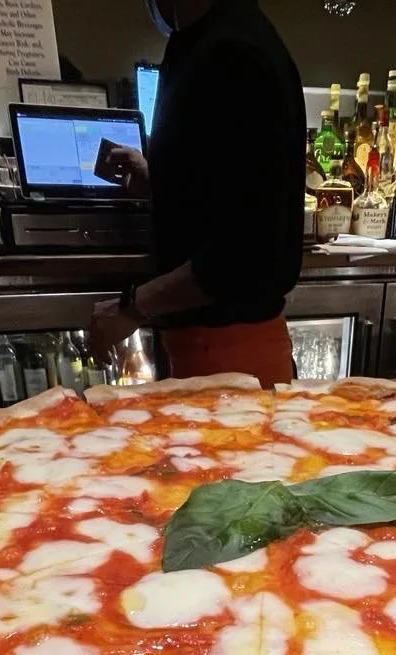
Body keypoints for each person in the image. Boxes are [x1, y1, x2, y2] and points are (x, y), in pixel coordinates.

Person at [89, 0, 304, 387]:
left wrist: (130, 308)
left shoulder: (233, 55)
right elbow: (225, 195)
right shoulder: (199, 39)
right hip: (211, 352)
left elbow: (241, 254)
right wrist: (162, 182)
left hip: (234, 356)